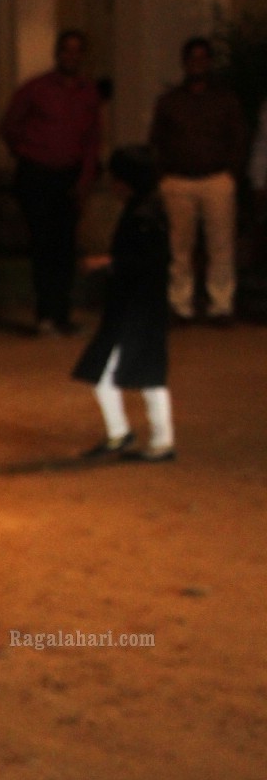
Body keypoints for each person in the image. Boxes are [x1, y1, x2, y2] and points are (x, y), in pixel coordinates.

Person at [73, 145, 174, 463]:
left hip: (136, 310)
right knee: (142, 375)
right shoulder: (147, 208)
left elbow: (148, 261)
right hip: (141, 308)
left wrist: (107, 261)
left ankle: (153, 440)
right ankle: (147, 438)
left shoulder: (143, 214)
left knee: (129, 376)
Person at [0, 28, 102, 335]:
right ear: (58, 53)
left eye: (77, 51)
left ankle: (62, 313)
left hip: (69, 176)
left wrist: (85, 179)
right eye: (66, 50)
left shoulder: (88, 93)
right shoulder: (36, 88)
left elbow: (92, 140)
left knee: (66, 245)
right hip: (38, 174)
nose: (71, 56)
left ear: (82, 55)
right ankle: (45, 313)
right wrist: (27, 152)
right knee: (44, 244)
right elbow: (9, 125)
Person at [149, 36, 246, 323]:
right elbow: (157, 140)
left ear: (209, 62)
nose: (197, 64)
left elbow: (239, 138)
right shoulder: (170, 101)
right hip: (178, 180)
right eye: (193, 58)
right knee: (180, 247)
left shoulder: (225, 100)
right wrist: (162, 176)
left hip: (216, 178)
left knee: (221, 245)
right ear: (184, 63)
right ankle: (180, 304)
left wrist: (232, 173)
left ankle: (221, 304)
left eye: (203, 58)